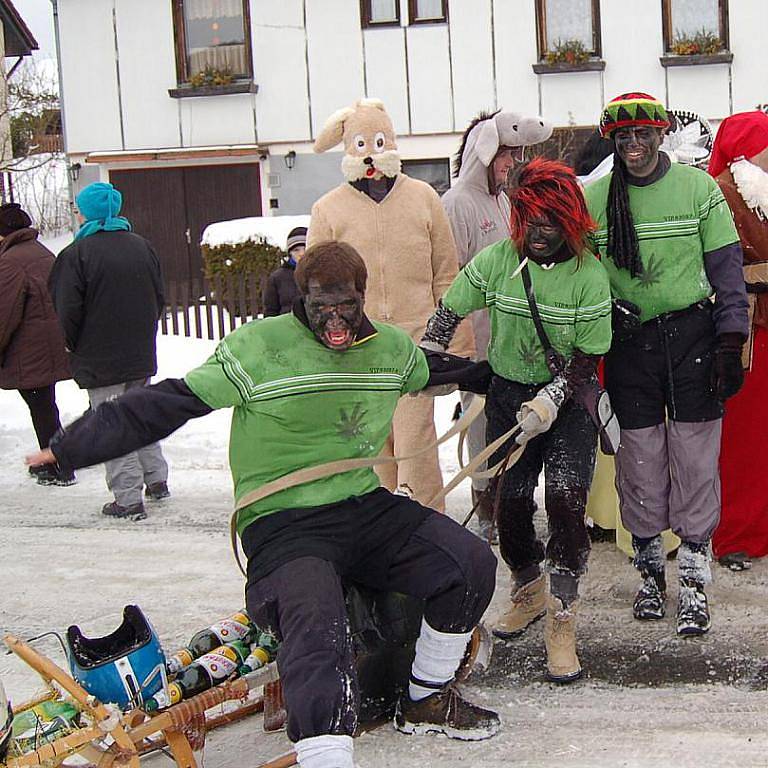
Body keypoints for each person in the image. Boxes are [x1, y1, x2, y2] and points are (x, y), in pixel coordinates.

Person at [27, 241, 500, 768]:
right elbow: (165, 404)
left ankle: (426, 697)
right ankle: (326, 756)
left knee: (470, 563)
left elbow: (434, 371)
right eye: (322, 306)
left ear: (362, 297)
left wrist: (496, 379)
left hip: (361, 505)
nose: (336, 319)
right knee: (317, 623)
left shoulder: (387, 349)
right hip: (281, 520)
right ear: (302, 299)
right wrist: (69, 447)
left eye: (346, 305)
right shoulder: (259, 348)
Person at [422, 158, 612, 682]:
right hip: (507, 394)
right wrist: (425, 357)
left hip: (568, 402)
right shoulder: (497, 261)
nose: (539, 234)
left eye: (552, 222)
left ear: (571, 222)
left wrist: (551, 399)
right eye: (530, 222)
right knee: (507, 504)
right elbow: (449, 310)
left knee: (566, 497)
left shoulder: (589, 277)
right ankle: (529, 587)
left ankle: (563, 615)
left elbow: (586, 358)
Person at [584, 92, 748, 635]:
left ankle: (696, 581)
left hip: (693, 337)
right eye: (623, 137)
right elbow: (579, 273)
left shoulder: (698, 189)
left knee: (696, 459)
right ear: (612, 141)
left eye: (643, 135)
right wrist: (602, 311)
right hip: (629, 344)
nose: (634, 145)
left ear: (661, 135)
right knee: (641, 460)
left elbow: (727, 273)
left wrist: (730, 342)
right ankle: (652, 572)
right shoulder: (595, 198)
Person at [308, 98, 474, 510]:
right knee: (371, 446)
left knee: (415, 441)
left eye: (378, 143)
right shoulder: (327, 210)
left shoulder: (423, 199)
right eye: (361, 145)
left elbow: (447, 276)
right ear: (348, 148)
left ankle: (424, 523)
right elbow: (313, 289)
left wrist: (461, 347)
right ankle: (379, 527)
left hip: (416, 345)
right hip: (356, 350)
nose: (371, 156)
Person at [442, 110, 552, 541]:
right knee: (479, 420)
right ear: (484, 153)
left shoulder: (504, 200)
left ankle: (511, 499)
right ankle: (484, 500)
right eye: (508, 155)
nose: (513, 164)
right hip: (480, 335)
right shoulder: (456, 204)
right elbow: (450, 277)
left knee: (508, 418)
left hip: (511, 335)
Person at [48, 182, 169, 521]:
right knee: (139, 415)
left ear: (89, 211)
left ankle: (128, 498)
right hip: (138, 352)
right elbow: (158, 297)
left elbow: (67, 309)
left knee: (112, 426)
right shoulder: (142, 247)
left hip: (100, 356)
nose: (78, 212)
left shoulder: (76, 254)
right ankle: (157, 479)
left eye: (80, 207)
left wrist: (72, 342)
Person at [708, 111, 768, 569]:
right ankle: (736, 533)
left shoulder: (758, 189)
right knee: (744, 441)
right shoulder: (727, 193)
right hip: (747, 331)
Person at [0, 203, 74, 486]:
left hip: (27, 349)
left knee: (41, 407)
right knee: (45, 404)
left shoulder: (10, 262)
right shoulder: (43, 253)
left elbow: (4, 314)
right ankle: (57, 460)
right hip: (49, 343)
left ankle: (58, 465)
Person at [263, 226, 306, 317]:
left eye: (305, 248)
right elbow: (271, 311)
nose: (301, 254)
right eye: (296, 250)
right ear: (290, 253)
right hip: (287, 327)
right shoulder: (277, 278)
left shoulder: (320, 275)